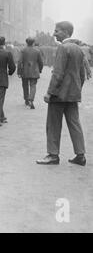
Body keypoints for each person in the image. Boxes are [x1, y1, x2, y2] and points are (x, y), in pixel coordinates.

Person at [37, 21, 87, 166]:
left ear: (66, 32)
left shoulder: (63, 48)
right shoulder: (78, 49)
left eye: (57, 31)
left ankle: (53, 155)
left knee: (53, 124)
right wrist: (76, 89)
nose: (54, 33)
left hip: (59, 94)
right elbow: (82, 74)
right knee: (74, 123)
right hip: (72, 95)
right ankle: (80, 155)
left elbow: (57, 73)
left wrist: (49, 92)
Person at [17, 38, 44, 109]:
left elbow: (19, 62)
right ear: (33, 43)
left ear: (26, 43)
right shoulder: (37, 51)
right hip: (34, 71)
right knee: (33, 86)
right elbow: (41, 62)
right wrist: (40, 70)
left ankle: (26, 99)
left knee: (25, 86)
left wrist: (19, 71)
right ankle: (31, 100)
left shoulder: (23, 50)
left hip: (25, 71)